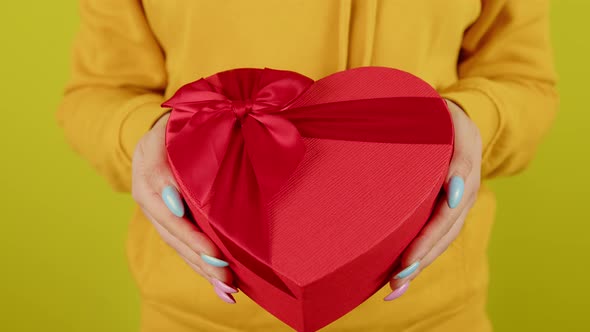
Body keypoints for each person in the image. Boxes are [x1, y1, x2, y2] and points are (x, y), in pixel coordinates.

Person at [57, 0, 558, 331]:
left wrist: (475, 120)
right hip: (201, 311)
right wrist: (138, 136)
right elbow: (97, 92)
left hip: (430, 312)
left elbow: (525, 81)